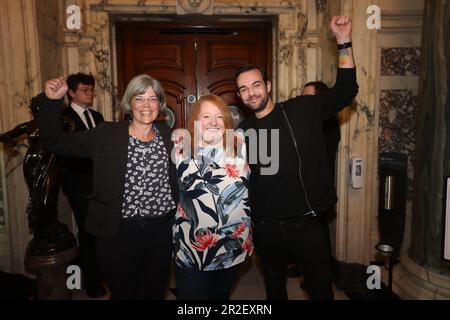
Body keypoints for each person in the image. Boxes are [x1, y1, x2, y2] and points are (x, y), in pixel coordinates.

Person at [235, 16, 358, 300]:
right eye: (243, 89)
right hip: (266, 226)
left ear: (267, 85)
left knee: (320, 290)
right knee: (275, 289)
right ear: (240, 96)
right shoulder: (242, 131)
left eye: (255, 85)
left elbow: (346, 91)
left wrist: (343, 41)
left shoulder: (301, 110)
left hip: (305, 223)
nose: (251, 93)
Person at [37, 74, 179, 300]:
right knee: (124, 294)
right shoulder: (107, 134)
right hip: (118, 233)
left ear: (160, 105)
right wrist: (51, 102)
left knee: (153, 293)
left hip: (160, 232)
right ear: (129, 103)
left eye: (152, 99)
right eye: (139, 98)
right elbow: (55, 141)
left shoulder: (170, 136)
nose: (146, 105)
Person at [172, 94, 253, 300]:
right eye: (206, 116)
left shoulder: (240, 144)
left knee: (221, 296)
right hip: (193, 247)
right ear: (196, 121)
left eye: (219, 116)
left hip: (233, 243)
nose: (214, 122)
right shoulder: (181, 148)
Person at [0, 97, 75, 255]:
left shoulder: (63, 121)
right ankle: (42, 231)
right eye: (34, 108)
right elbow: (9, 135)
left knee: (48, 196)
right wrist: (8, 140)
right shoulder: (30, 125)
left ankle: (50, 226)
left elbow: (72, 142)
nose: (36, 111)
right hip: (32, 162)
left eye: (39, 108)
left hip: (51, 161)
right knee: (37, 197)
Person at [287, 81, 340, 279]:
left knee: (318, 234)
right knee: (307, 233)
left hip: (318, 189)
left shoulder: (326, 121)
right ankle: (305, 269)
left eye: (308, 96)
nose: (304, 101)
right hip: (306, 188)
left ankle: (320, 274)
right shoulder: (313, 119)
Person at [60, 73, 106, 298]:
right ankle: (92, 283)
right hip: (78, 185)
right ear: (71, 93)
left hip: (100, 184)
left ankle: (101, 274)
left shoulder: (97, 116)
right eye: (85, 90)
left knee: (102, 231)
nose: (90, 94)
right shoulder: (64, 118)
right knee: (87, 232)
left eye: (91, 90)